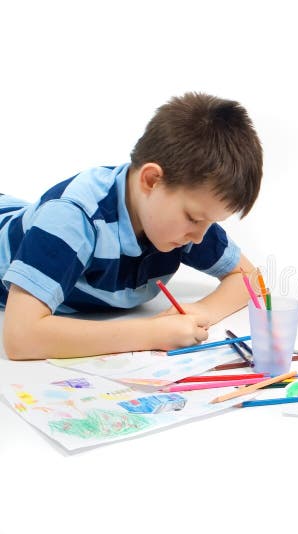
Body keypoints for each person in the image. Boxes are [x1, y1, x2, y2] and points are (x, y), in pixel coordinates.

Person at [0, 92, 263, 360]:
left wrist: (203, 311)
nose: (199, 237)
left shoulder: (183, 222)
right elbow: (21, 336)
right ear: (151, 180)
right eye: (194, 219)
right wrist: (152, 333)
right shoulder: (73, 218)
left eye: (210, 222)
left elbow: (251, 279)